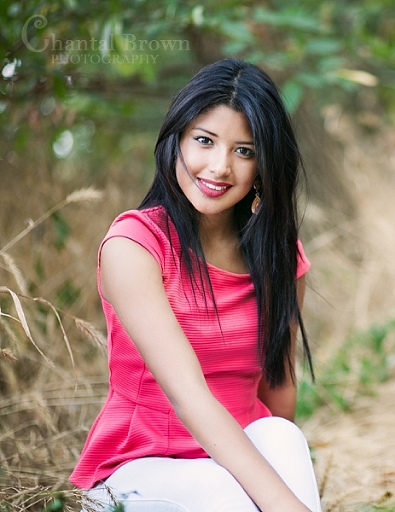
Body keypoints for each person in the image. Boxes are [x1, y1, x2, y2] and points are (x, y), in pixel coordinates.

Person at [70, 59, 322, 512]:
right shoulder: (135, 247)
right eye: (204, 141)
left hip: (234, 460)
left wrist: (288, 482)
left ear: (264, 165)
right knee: (224, 493)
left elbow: (278, 385)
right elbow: (189, 397)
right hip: (137, 470)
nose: (219, 166)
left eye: (244, 151)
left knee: (281, 435)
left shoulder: (279, 254)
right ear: (176, 140)